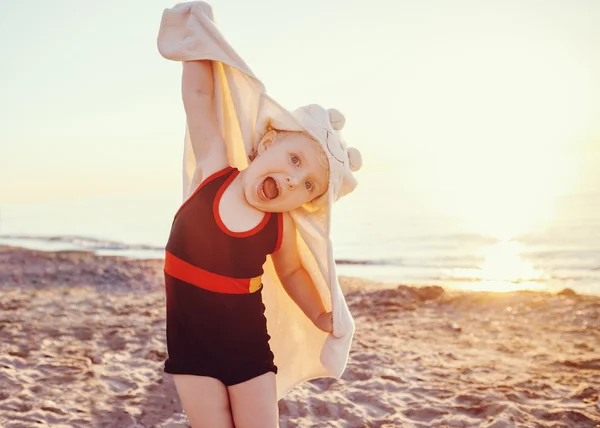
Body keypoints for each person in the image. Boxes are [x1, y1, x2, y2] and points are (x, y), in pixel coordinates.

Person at [158, 3, 362, 427]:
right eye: (293, 159)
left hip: (249, 350)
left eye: (307, 185)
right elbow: (198, 99)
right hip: (191, 348)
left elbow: (293, 275)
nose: (292, 180)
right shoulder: (213, 171)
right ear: (265, 142)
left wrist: (320, 316)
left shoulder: (277, 225)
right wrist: (198, 41)